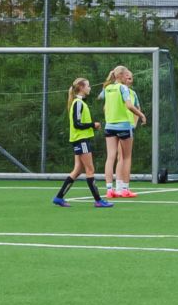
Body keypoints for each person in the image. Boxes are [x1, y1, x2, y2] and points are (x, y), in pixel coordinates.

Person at [52, 77, 110, 208]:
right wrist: (92, 125)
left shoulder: (80, 103)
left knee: (77, 170)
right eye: (88, 86)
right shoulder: (78, 103)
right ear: (82, 88)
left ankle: (59, 197)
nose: (90, 88)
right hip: (81, 139)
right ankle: (98, 200)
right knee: (90, 169)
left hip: (79, 139)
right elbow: (77, 123)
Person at [101, 64, 147, 199]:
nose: (130, 78)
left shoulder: (108, 88)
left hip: (109, 126)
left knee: (111, 157)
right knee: (126, 157)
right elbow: (129, 106)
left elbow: (104, 106)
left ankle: (110, 189)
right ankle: (125, 189)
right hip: (123, 126)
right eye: (127, 75)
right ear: (121, 76)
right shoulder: (123, 88)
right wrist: (142, 115)